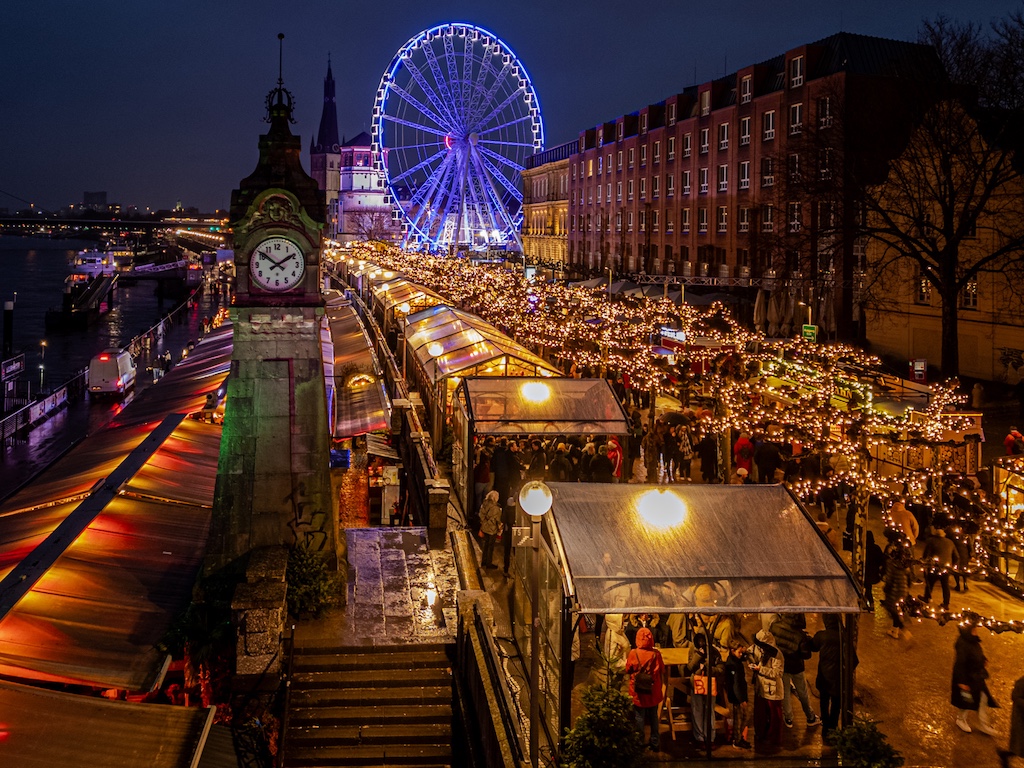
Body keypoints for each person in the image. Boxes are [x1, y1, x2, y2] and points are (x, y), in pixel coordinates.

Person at [769, 614, 820, 728]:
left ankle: (788, 718)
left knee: (785, 692)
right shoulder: (800, 635)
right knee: (803, 693)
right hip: (797, 667)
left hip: (782, 665)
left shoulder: (774, 627)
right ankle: (810, 717)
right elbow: (806, 655)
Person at [812, 614, 856, 741]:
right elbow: (853, 660)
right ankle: (833, 727)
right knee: (836, 705)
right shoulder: (844, 637)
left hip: (824, 677)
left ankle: (825, 728)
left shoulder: (822, 635)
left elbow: (813, 646)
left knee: (824, 703)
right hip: (838, 679)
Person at [951, 624, 998, 735]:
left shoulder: (972, 641)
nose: (976, 631)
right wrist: (961, 682)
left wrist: (983, 659)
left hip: (977, 677)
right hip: (967, 679)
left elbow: (977, 652)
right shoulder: (963, 644)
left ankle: (983, 724)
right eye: (974, 629)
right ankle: (960, 719)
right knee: (966, 702)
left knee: (983, 698)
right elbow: (959, 664)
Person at [625, 627, 666, 752]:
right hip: (652, 690)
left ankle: (639, 742)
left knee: (639, 716)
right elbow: (662, 670)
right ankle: (654, 742)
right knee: (653, 716)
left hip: (638, 691)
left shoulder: (633, 653)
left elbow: (628, 669)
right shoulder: (656, 654)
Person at [686, 632, 723, 747]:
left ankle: (710, 737)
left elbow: (720, 669)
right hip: (696, 682)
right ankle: (699, 738)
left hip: (709, 683)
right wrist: (698, 656)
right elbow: (689, 667)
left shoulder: (714, 651)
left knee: (709, 710)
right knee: (697, 709)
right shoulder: (693, 650)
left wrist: (709, 668)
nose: (701, 643)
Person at [751, 628, 785, 750]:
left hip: (772, 690)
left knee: (774, 716)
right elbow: (751, 651)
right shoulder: (759, 649)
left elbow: (777, 673)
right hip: (761, 688)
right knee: (761, 713)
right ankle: (761, 734)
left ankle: (773, 739)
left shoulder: (777, 655)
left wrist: (760, 670)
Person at [881, 533, 913, 640]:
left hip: (894, 591)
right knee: (898, 610)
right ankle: (895, 631)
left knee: (893, 611)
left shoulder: (891, 564)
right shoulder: (905, 565)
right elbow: (909, 578)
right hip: (903, 590)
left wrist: (886, 589)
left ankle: (903, 629)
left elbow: (889, 579)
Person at [920, 526, 959, 611]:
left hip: (935, 566)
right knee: (945, 586)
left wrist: (924, 564)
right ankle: (946, 603)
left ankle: (927, 597)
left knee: (930, 582)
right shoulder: (950, 542)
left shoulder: (931, 541)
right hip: (946, 567)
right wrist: (952, 566)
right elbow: (956, 556)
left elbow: (926, 554)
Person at [724, 637, 752, 749]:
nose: (741, 654)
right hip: (737, 697)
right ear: (732, 651)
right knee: (740, 718)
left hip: (737, 696)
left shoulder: (734, 661)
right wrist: (742, 700)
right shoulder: (733, 665)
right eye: (739, 652)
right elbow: (736, 684)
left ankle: (738, 738)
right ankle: (737, 739)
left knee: (740, 718)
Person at [997, 672, 1024, 767]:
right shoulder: (1022, 681)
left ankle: (1004, 755)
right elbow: (1015, 697)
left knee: (1020, 747)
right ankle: (1005, 755)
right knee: (1020, 745)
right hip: (1021, 719)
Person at [477, 490, 502, 568]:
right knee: (490, 547)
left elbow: (480, 515)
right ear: (495, 498)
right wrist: (500, 527)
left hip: (484, 528)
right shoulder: (496, 508)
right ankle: (488, 563)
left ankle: (483, 562)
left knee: (485, 546)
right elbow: (497, 520)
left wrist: (484, 523)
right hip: (492, 530)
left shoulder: (484, 504)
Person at [864, 531, 886, 610]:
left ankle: (871, 603)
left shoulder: (864, 549)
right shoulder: (877, 548)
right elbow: (882, 561)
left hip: (866, 575)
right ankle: (869, 603)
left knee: (867, 587)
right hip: (875, 575)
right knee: (868, 587)